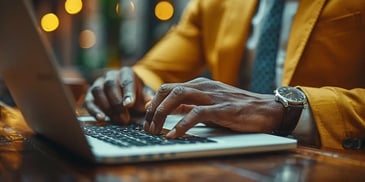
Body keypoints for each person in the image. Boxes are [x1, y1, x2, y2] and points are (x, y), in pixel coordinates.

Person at [84, 0, 365, 150]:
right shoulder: (214, 4)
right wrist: (130, 87)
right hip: (232, 153)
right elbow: (155, 71)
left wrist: (285, 110)